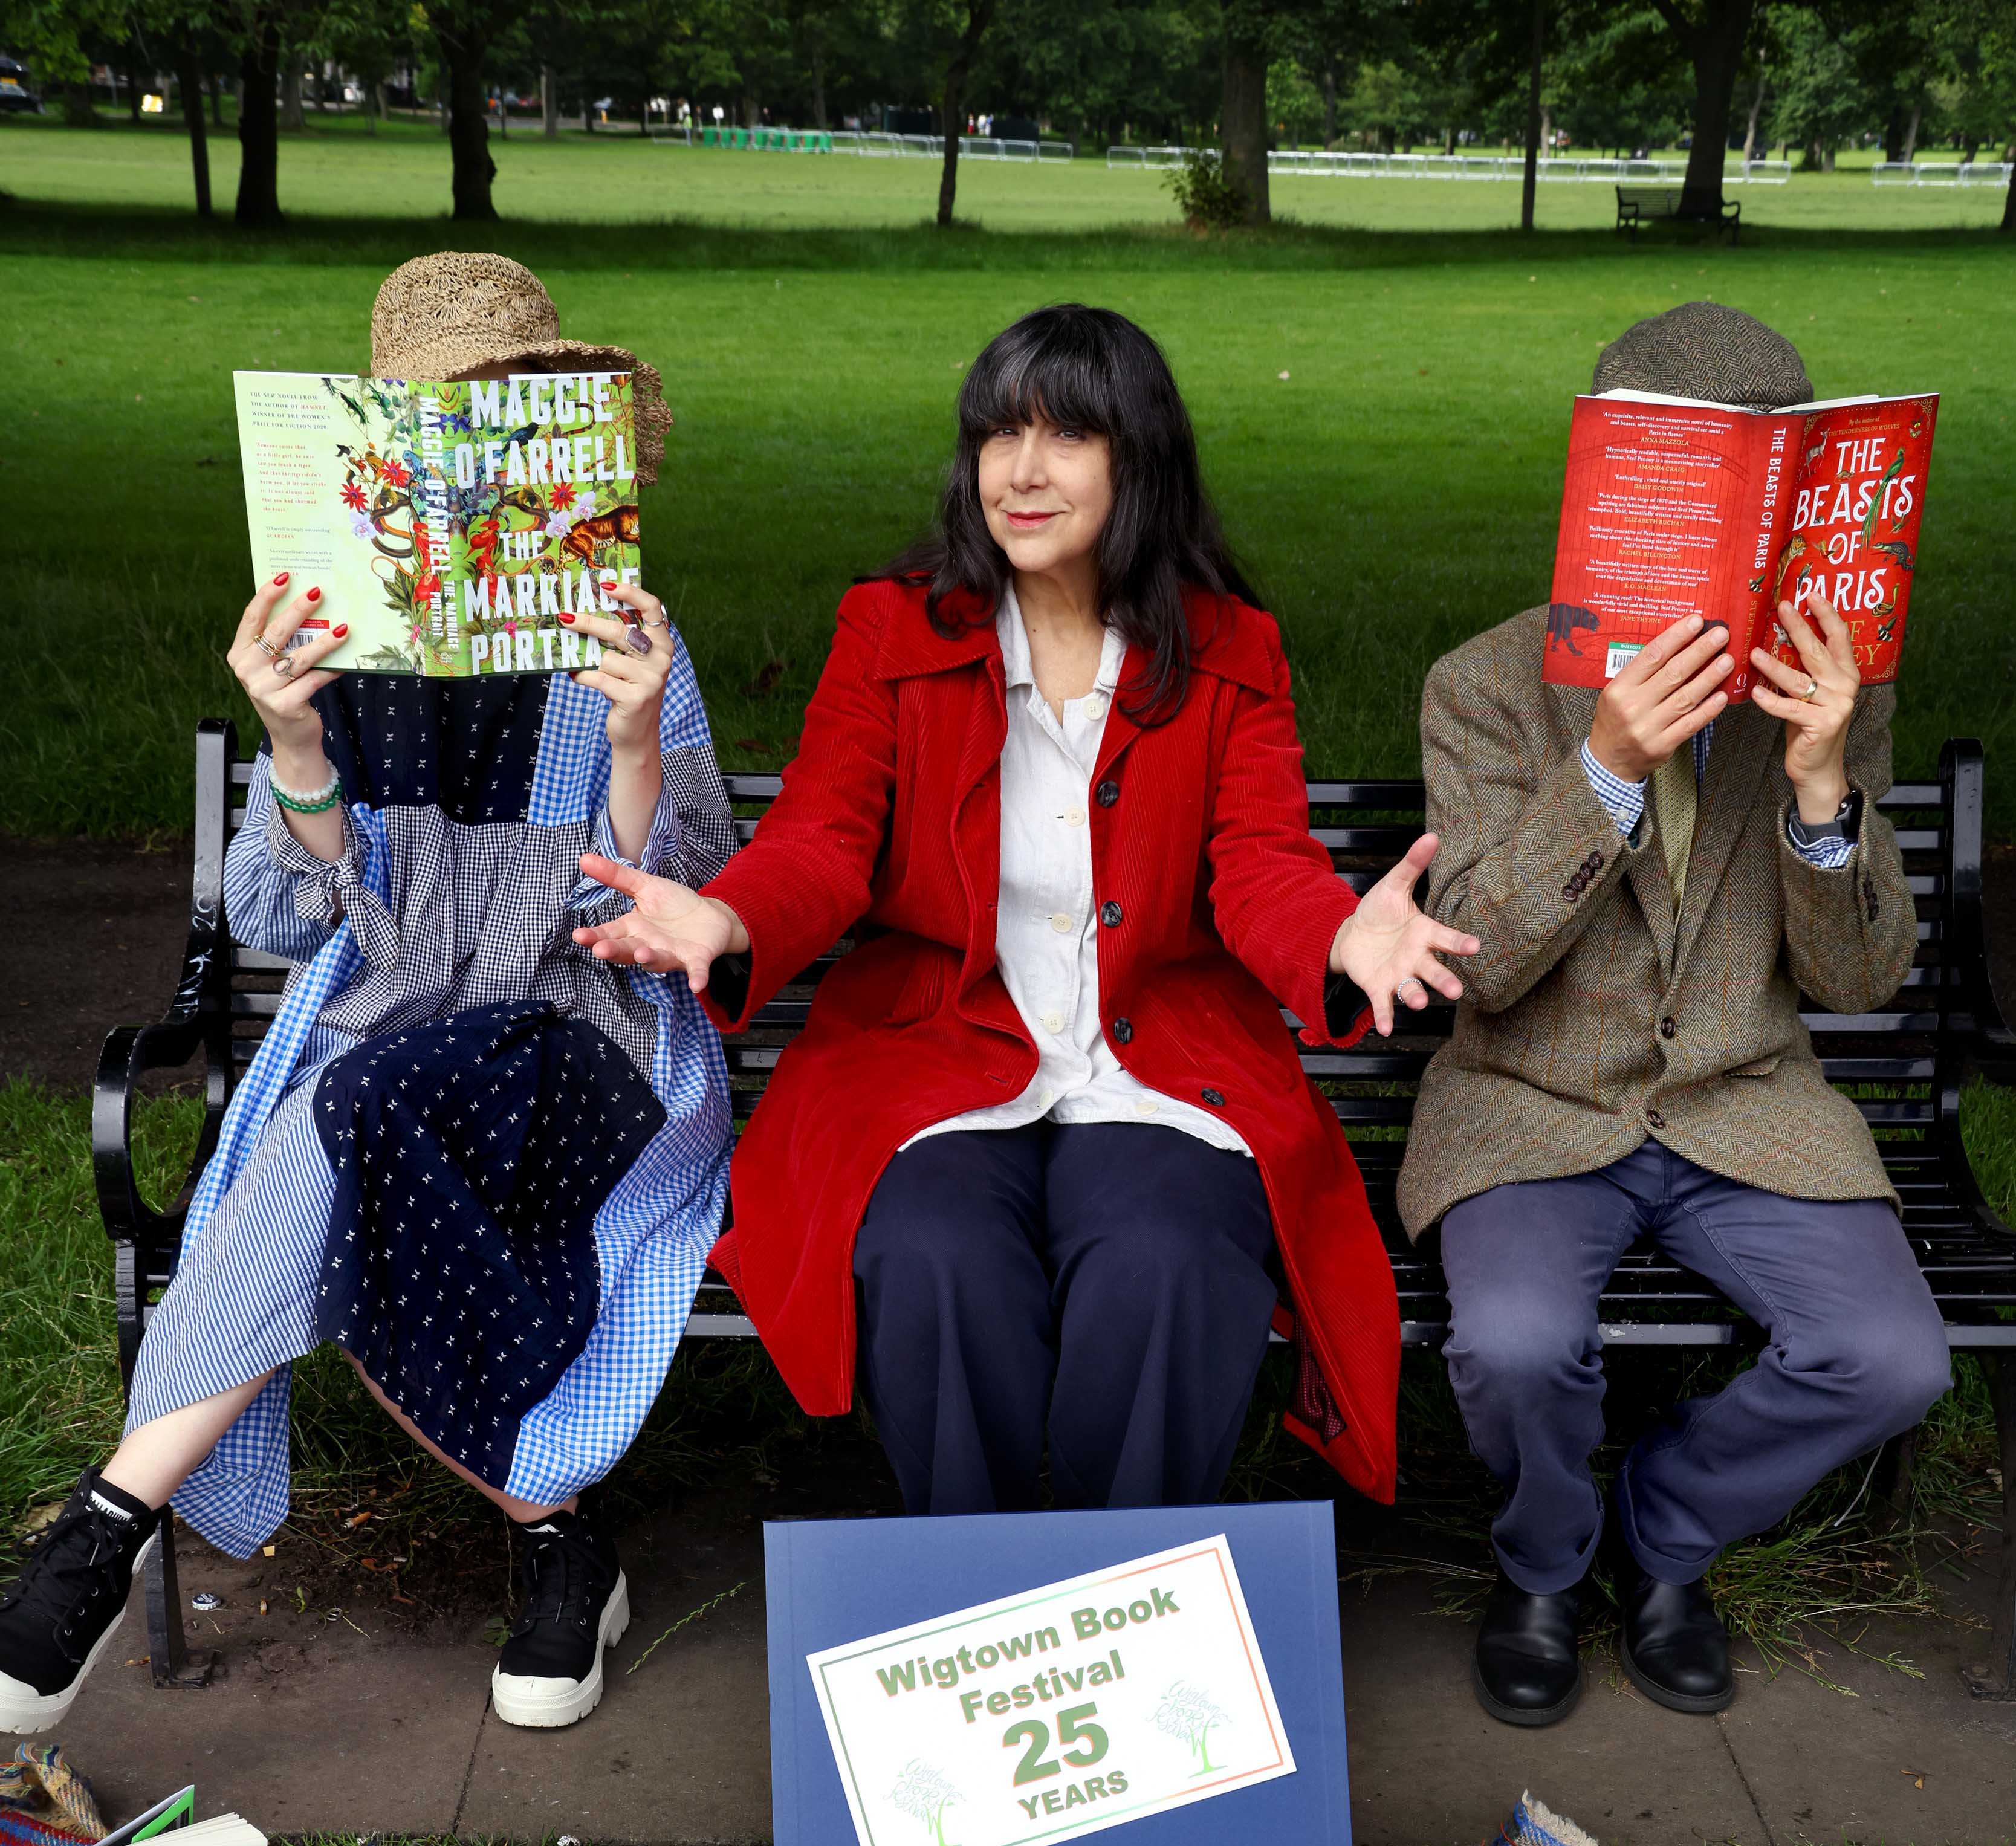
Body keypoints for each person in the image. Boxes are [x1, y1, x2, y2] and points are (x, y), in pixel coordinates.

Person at [570, 303, 1475, 1517]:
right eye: (1000, 434)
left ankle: (1134, 1599)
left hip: (1155, 1059)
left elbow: (1259, 861)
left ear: (1138, 460)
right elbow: (825, 836)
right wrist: (730, 921)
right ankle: (983, 1601)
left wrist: (1338, 932)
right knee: (935, 1260)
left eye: (1067, 437)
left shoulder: (1228, 648)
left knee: (1172, 1264)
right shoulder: (891, 628)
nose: (1023, 470)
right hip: (932, 1047)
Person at [0, 254, 736, 1737]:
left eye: (505, 420)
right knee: (367, 1100)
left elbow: (671, 907)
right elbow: (273, 910)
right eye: (432, 429)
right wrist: (295, 744)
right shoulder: (331, 634)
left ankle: (92, 1534)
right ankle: (557, 1534)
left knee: (349, 1105)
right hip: (396, 1018)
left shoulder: (626, 633)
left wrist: (641, 737)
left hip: (582, 1024)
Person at [1402, 302, 1950, 1728]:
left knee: (1894, 1357)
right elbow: (1481, 964)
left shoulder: (1824, 686)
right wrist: (1606, 766)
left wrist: (1826, 788)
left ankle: (1663, 1530)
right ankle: (1542, 1562)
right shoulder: (1481, 685)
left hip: (1741, 1103)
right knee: (1516, 1342)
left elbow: (1858, 981)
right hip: (1533, 1098)